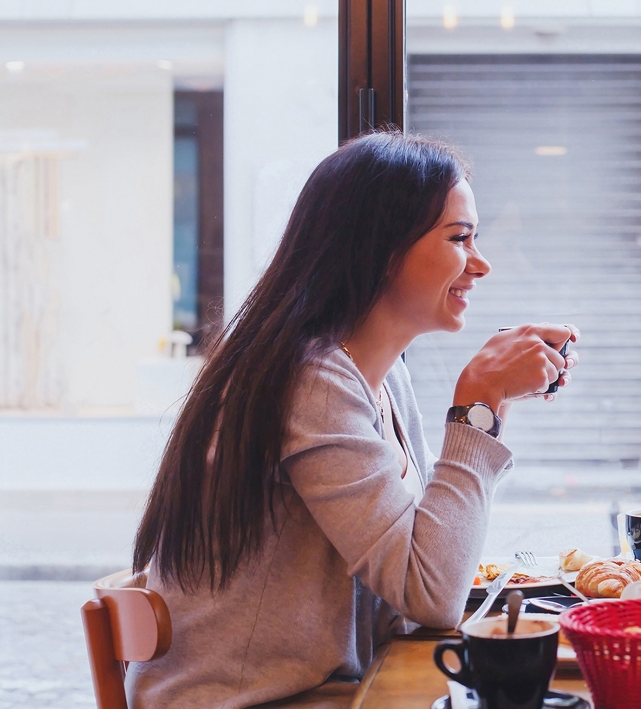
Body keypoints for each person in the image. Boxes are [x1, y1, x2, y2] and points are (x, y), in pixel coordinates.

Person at [128, 131, 578, 708]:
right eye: (460, 238)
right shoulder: (310, 380)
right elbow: (430, 593)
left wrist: (493, 404)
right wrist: (479, 404)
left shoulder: (383, 376)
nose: (481, 264)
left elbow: (416, 568)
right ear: (380, 249)